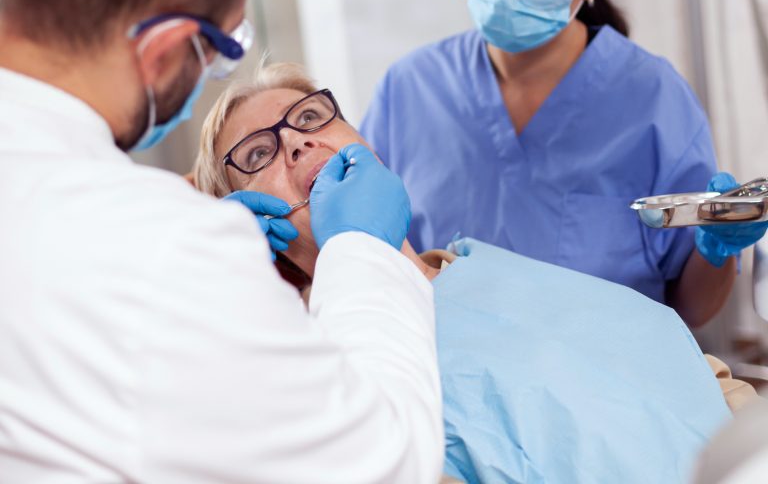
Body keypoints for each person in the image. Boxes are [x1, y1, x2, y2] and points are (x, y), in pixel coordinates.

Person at [0, 0, 443, 483]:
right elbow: (383, 466)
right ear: (163, 50)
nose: (298, 142)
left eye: (314, 118)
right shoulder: (167, 253)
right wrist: (361, 253)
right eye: (222, 48)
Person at [193, 62, 736, 484]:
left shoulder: (480, 266)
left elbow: (681, 373)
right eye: (258, 153)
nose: (295, 140)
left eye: (311, 117)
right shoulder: (327, 371)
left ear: (366, 143)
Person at [360, 0, 768, 328]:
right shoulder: (410, 91)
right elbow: (372, 264)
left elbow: (692, 310)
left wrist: (716, 251)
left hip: (610, 390)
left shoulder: (652, 101)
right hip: (447, 388)